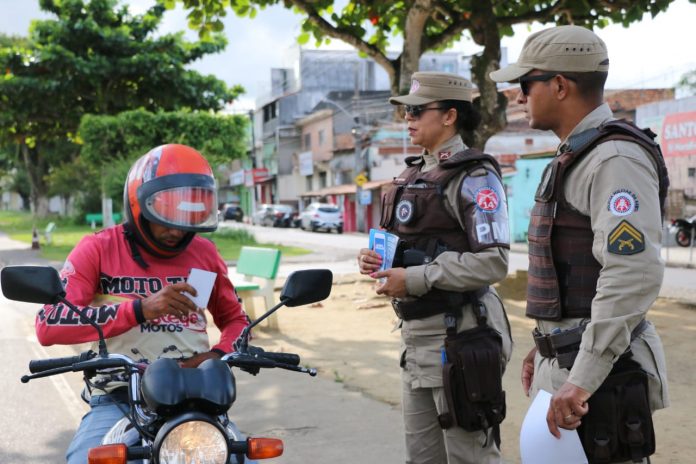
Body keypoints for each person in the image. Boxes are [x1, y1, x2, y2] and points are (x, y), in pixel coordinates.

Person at [490, 25, 669, 463]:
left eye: (524, 84)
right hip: (572, 362)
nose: (518, 97)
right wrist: (549, 342)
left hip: (601, 376)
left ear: (559, 85)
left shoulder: (614, 159)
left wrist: (581, 378)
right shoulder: (580, 153)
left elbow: (632, 273)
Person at [35, 144, 250, 464]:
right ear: (140, 207)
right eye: (167, 219)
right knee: (86, 459)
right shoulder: (98, 249)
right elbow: (49, 324)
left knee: (243, 458)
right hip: (121, 396)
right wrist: (139, 309)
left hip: (196, 395)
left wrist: (217, 355)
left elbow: (237, 320)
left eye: (186, 220)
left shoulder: (204, 254)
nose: (176, 231)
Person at [358, 72, 512, 464]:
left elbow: (494, 261)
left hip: (460, 337)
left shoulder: (476, 177)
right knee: (422, 458)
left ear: (449, 116)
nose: (407, 118)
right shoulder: (414, 175)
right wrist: (376, 259)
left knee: (469, 457)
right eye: (406, 110)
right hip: (416, 339)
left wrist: (414, 278)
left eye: (416, 110)